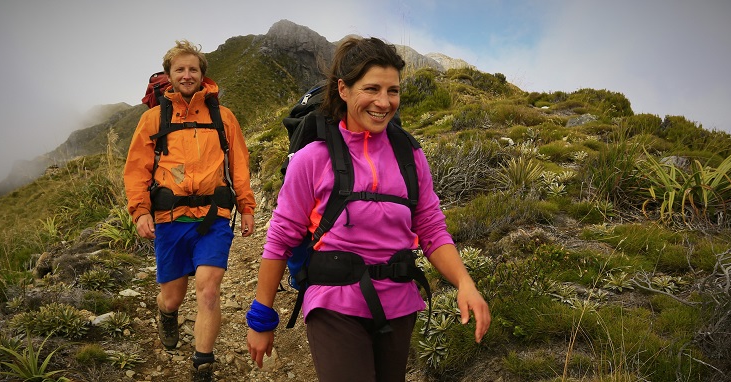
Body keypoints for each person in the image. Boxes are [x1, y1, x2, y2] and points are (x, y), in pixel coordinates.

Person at [246, 36, 490, 381]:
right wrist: (261, 317)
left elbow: (432, 230)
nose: (384, 102)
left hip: (399, 305)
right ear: (343, 89)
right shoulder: (311, 159)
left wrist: (465, 283)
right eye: (372, 89)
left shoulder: (411, 155)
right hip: (333, 304)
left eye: (393, 91)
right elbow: (281, 239)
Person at [124, 39, 256, 381]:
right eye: (180, 69)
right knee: (172, 297)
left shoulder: (223, 117)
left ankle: (202, 364)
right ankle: (167, 315)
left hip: (214, 217)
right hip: (170, 219)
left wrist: (247, 206)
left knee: (210, 289)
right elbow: (137, 169)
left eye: (193, 69)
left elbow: (239, 165)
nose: (187, 75)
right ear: (169, 75)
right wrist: (140, 211)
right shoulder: (154, 118)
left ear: (202, 75)